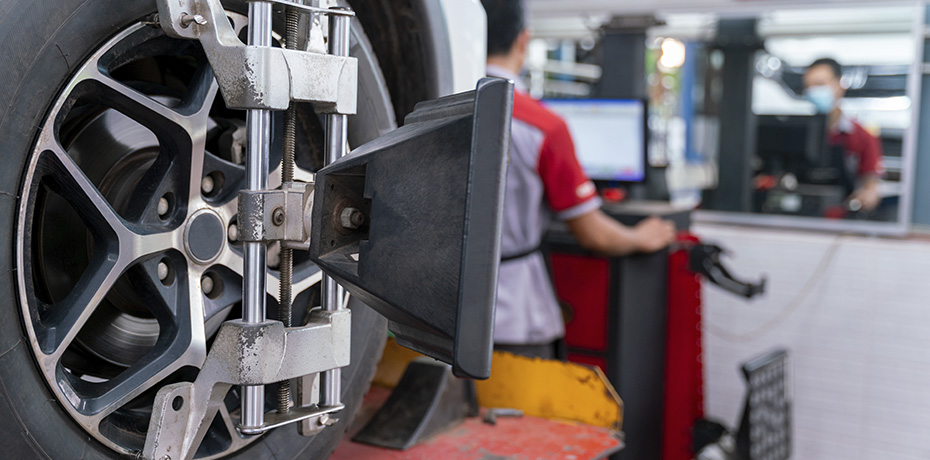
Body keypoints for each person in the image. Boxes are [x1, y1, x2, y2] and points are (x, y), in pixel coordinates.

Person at [481, 0, 677, 360]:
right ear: (523, 41)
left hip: (431, 309)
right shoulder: (542, 126)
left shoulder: (430, 109)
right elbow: (593, 234)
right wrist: (640, 236)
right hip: (511, 317)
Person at [803, 57, 885, 212]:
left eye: (820, 84)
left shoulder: (862, 135)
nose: (813, 91)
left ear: (839, 85)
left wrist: (865, 197)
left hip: (842, 220)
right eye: (808, 86)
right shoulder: (797, 131)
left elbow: (872, 186)